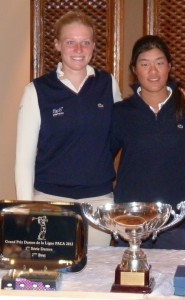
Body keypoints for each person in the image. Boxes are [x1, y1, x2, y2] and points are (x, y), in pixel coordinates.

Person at [15, 11, 122, 246]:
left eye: (85, 43)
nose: (78, 49)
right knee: (55, 277)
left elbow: (121, 130)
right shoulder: (37, 91)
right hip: (50, 201)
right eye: (70, 42)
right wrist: (27, 211)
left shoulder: (107, 83)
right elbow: (24, 159)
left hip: (98, 202)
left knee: (96, 276)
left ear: (93, 46)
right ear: (57, 45)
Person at [110, 35, 185, 250]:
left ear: (169, 66)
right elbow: (102, 162)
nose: (153, 71)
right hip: (130, 220)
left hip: (177, 221)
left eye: (159, 63)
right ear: (134, 69)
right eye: (145, 64)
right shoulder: (120, 112)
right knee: (130, 282)